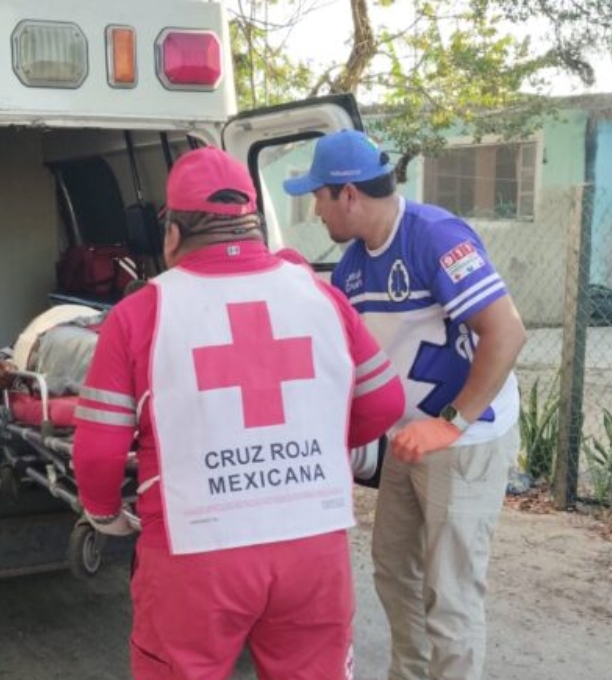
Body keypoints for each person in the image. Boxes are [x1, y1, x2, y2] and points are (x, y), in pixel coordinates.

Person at [71, 146, 405, 680]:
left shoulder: (141, 312)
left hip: (193, 553)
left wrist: (105, 516)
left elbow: (98, 451)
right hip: (312, 547)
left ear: (173, 233)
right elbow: (386, 401)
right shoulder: (320, 296)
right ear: (253, 225)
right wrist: (314, 445)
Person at [284, 129, 528, 680]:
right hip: (409, 438)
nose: (315, 209)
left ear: (347, 193)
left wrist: (451, 424)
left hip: (464, 437)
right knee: (396, 573)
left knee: (451, 596)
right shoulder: (350, 267)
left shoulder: (435, 235)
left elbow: (506, 334)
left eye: (317, 196)